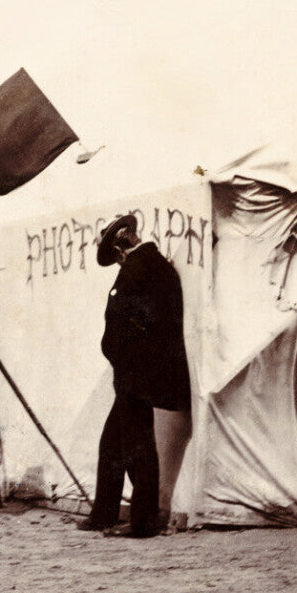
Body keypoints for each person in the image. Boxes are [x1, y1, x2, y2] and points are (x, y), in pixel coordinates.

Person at [77, 214, 191, 538]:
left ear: (123, 242)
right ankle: (104, 513)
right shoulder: (156, 265)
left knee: (138, 446)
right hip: (139, 371)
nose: (117, 259)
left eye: (116, 253)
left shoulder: (139, 269)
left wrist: (119, 354)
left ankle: (142, 521)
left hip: (135, 373)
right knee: (112, 443)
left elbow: (128, 320)